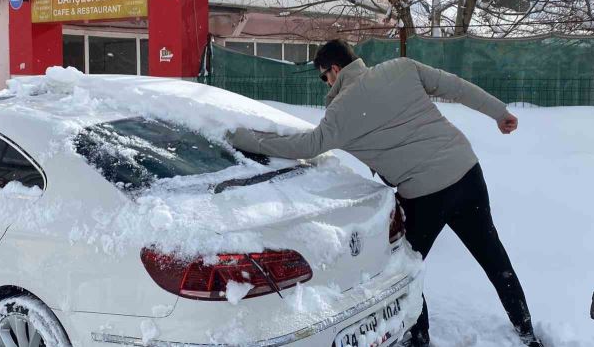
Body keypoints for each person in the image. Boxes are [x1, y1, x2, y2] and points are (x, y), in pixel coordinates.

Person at [226, 39, 543, 347]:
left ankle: (418, 338)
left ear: (334, 70)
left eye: (324, 77)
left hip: (425, 194)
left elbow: (305, 146)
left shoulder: (341, 111)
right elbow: (455, 87)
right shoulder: (401, 68)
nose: (325, 84)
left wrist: (243, 139)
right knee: (493, 255)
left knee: (404, 269)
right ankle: (527, 333)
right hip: (466, 171)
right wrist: (499, 112)